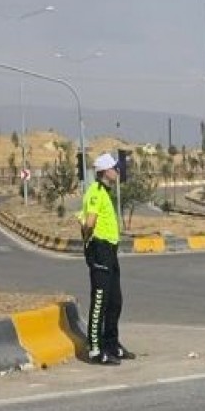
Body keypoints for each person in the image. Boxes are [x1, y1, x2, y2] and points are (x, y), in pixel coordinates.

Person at [79, 152, 136, 365]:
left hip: (111, 250)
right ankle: (95, 349)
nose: (118, 171)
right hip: (100, 249)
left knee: (115, 301)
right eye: (114, 168)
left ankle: (112, 344)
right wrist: (88, 240)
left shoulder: (105, 192)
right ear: (105, 171)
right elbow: (90, 221)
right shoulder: (95, 192)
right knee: (100, 300)